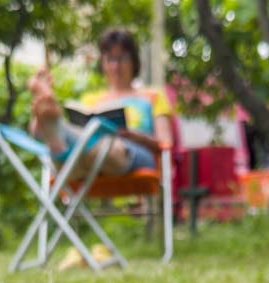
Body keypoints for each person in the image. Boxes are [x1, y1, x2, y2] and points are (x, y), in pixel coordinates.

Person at [28, 28, 174, 178]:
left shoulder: (153, 96)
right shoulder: (90, 100)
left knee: (89, 145)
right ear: (103, 63)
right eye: (110, 59)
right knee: (75, 141)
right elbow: (39, 134)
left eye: (121, 58)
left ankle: (55, 131)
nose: (115, 66)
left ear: (134, 60)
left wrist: (137, 137)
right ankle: (51, 127)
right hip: (89, 159)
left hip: (135, 153)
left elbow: (165, 142)